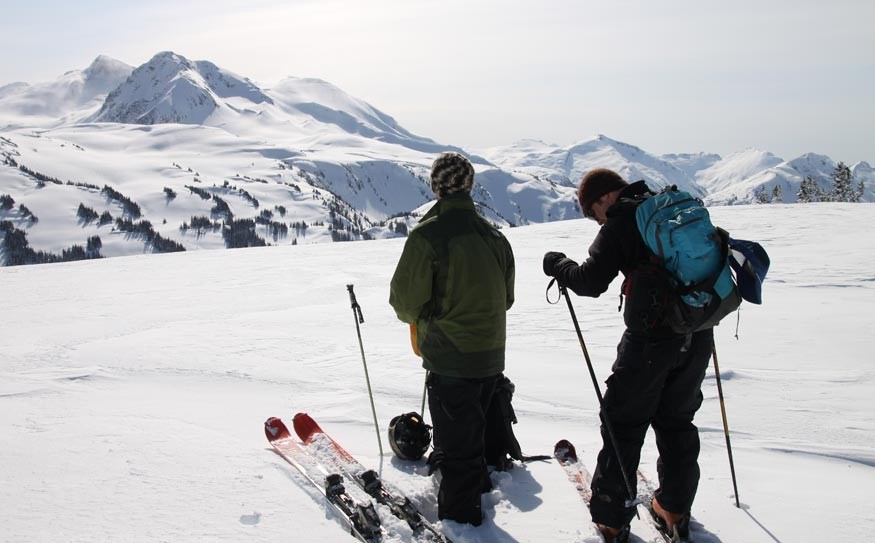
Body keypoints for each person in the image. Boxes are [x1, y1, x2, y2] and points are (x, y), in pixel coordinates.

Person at [542, 168, 712, 543]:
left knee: (623, 422)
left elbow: (590, 281)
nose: (595, 220)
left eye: (592, 212)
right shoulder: (668, 206)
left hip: (651, 340)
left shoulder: (622, 222)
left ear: (604, 198)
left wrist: (558, 266)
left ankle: (611, 519)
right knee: (677, 421)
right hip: (698, 332)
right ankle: (673, 507)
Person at [389, 152, 515, 526]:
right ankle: (478, 489)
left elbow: (404, 304)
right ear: (469, 187)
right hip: (491, 356)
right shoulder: (494, 237)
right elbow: (505, 299)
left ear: (436, 187)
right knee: (473, 437)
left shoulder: (427, 236)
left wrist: (433, 315)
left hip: (451, 358)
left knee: (458, 449)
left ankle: (462, 526)